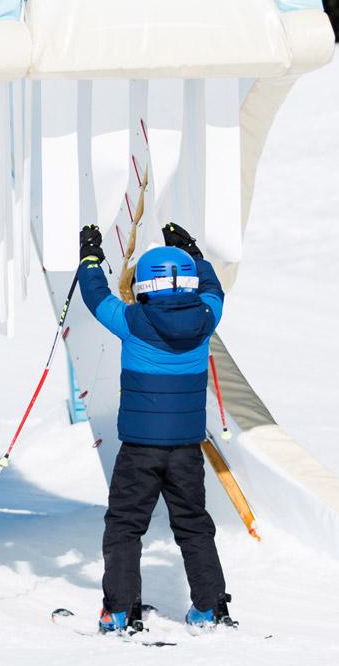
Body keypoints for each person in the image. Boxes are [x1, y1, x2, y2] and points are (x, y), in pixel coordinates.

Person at [78, 222, 235, 635]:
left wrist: (90, 257)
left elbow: (96, 297)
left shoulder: (133, 320)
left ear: (145, 286)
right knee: (193, 524)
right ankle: (210, 608)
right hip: (186, 449)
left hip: (139, 450)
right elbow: (214, 289)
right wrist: (194, 253)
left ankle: (118, 612)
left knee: (125, 526)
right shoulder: (207, 318)